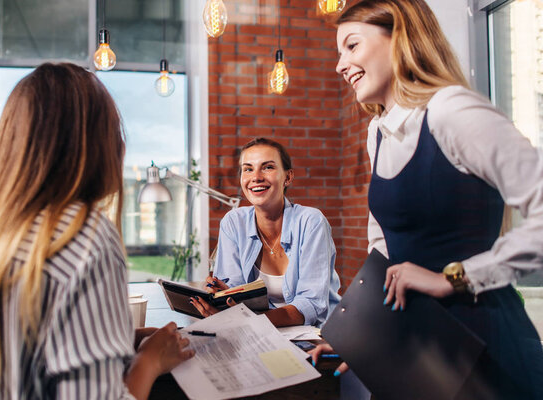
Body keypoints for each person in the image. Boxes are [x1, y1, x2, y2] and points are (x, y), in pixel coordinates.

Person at [310, 0, 543, 397]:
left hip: (485, 344)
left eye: (351, 46)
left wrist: (452, 278)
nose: (339, 65)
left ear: (398, 37)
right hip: (418, 345)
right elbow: (384, 247)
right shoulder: (377, 131)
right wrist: (364, 333)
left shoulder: (452, 110)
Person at [0, 63, 194, 400]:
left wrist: (119, 338)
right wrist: (150, 360)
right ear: (85, 144)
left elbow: (28, 347)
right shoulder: (84, 235)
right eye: (114, 130)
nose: (121, 146)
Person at [190, 138, 341, 327]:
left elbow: (311, 305)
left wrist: (249, 320)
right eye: (248, 169)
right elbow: (235, 291)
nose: (256, 177)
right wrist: (222, 296)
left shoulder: (311, 222)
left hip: (318, 334)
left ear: (288, 177)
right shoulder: (233, 222)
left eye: (268, 167)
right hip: (259, 330)